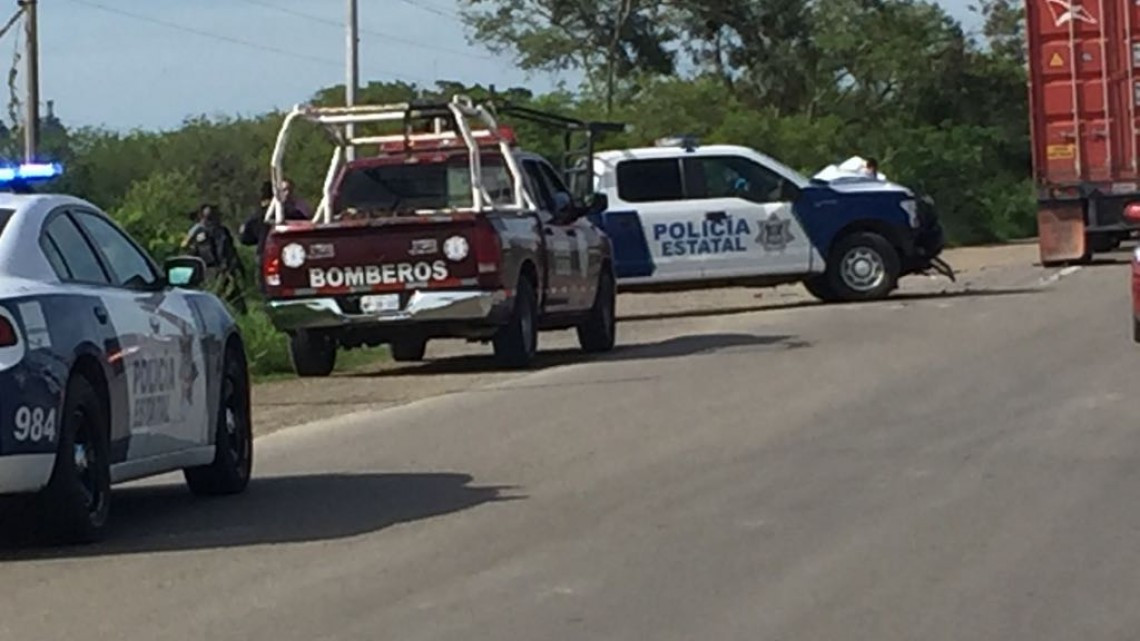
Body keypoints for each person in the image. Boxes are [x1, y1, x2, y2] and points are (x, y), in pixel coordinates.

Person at [183, 204, 247, 313]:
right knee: (233, 299)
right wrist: (234, 267)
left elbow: (190, 252)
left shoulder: (196, 232)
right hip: (220, 270)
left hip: (204, 272)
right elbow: (226, 250)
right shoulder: (220, 231)